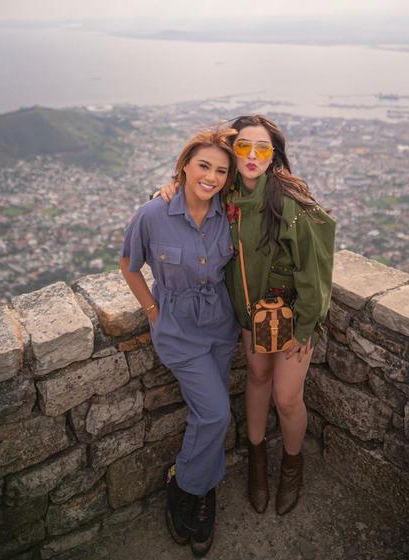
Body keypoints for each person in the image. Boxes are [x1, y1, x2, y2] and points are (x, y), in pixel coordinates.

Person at [161, 114, 335, 517]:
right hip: (247, 316)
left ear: (274, 155)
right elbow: (190, 187)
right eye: (244, 146)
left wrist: (306, 325)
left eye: (263, 148)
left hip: (291, 318)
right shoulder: (225, 192)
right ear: (232, 150)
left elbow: (316, 268)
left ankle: (291, 467)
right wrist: (166, 189)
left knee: (287, 397)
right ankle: (257, 462)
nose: (252, 155)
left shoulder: (289, 202)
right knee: (256, 378)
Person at [120, 126, 240, 558]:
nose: (210, 176)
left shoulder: (228, 210)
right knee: (215, 413)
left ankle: (200, 488)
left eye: (221, 171)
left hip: (220, 326)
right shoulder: (154, 213)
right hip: (178, 331)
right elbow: (128, 264)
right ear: (185, 165)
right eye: (203, 165)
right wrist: (153, 312)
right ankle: (185, 487)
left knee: (207, 413)